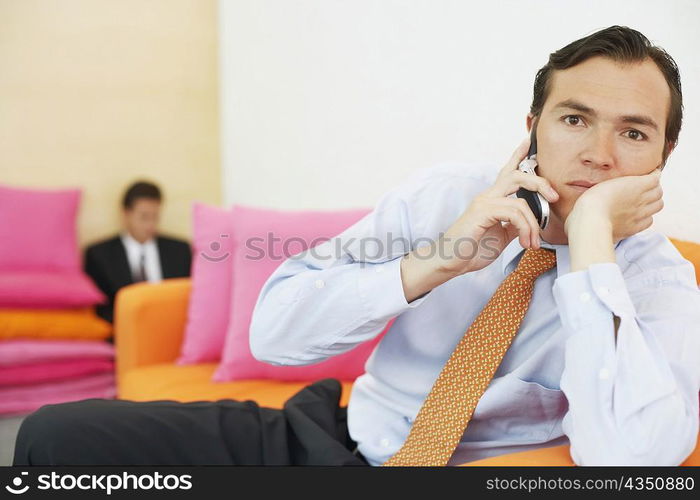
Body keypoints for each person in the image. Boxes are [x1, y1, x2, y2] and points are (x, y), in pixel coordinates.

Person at [13, 26, 700, 467]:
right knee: (58, 440)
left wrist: (590, 251)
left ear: (663, 157)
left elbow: (634, 461)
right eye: (575, 119)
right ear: (531, 129)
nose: (599, 155)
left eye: (634, 134)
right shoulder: (443, 198)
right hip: (337, 438)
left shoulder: (659, 285)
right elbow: (274, 335)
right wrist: (435, 262)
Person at [84, 181, 192, 324]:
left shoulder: (180, 251)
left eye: (155, 217)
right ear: (126, 214)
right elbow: (101, 310)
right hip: (125, 333)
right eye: (144, 217)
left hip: (171, 328)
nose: (150, 225)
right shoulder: (99, 255)